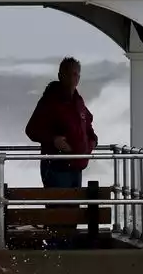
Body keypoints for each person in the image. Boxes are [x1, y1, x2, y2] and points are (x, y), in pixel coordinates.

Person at [25, 57, 98, 188]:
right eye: (67, 73)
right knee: (59, 207)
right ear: (60, 75)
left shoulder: (78, 102)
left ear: (79, 78)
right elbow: (31, 130)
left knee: (75, 208)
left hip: (77, 168)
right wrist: (53, 140)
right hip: (56, 168)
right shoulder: (49, 100)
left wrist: (90, 145)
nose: (72, 77)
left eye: (75, 74)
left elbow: (89, 127)